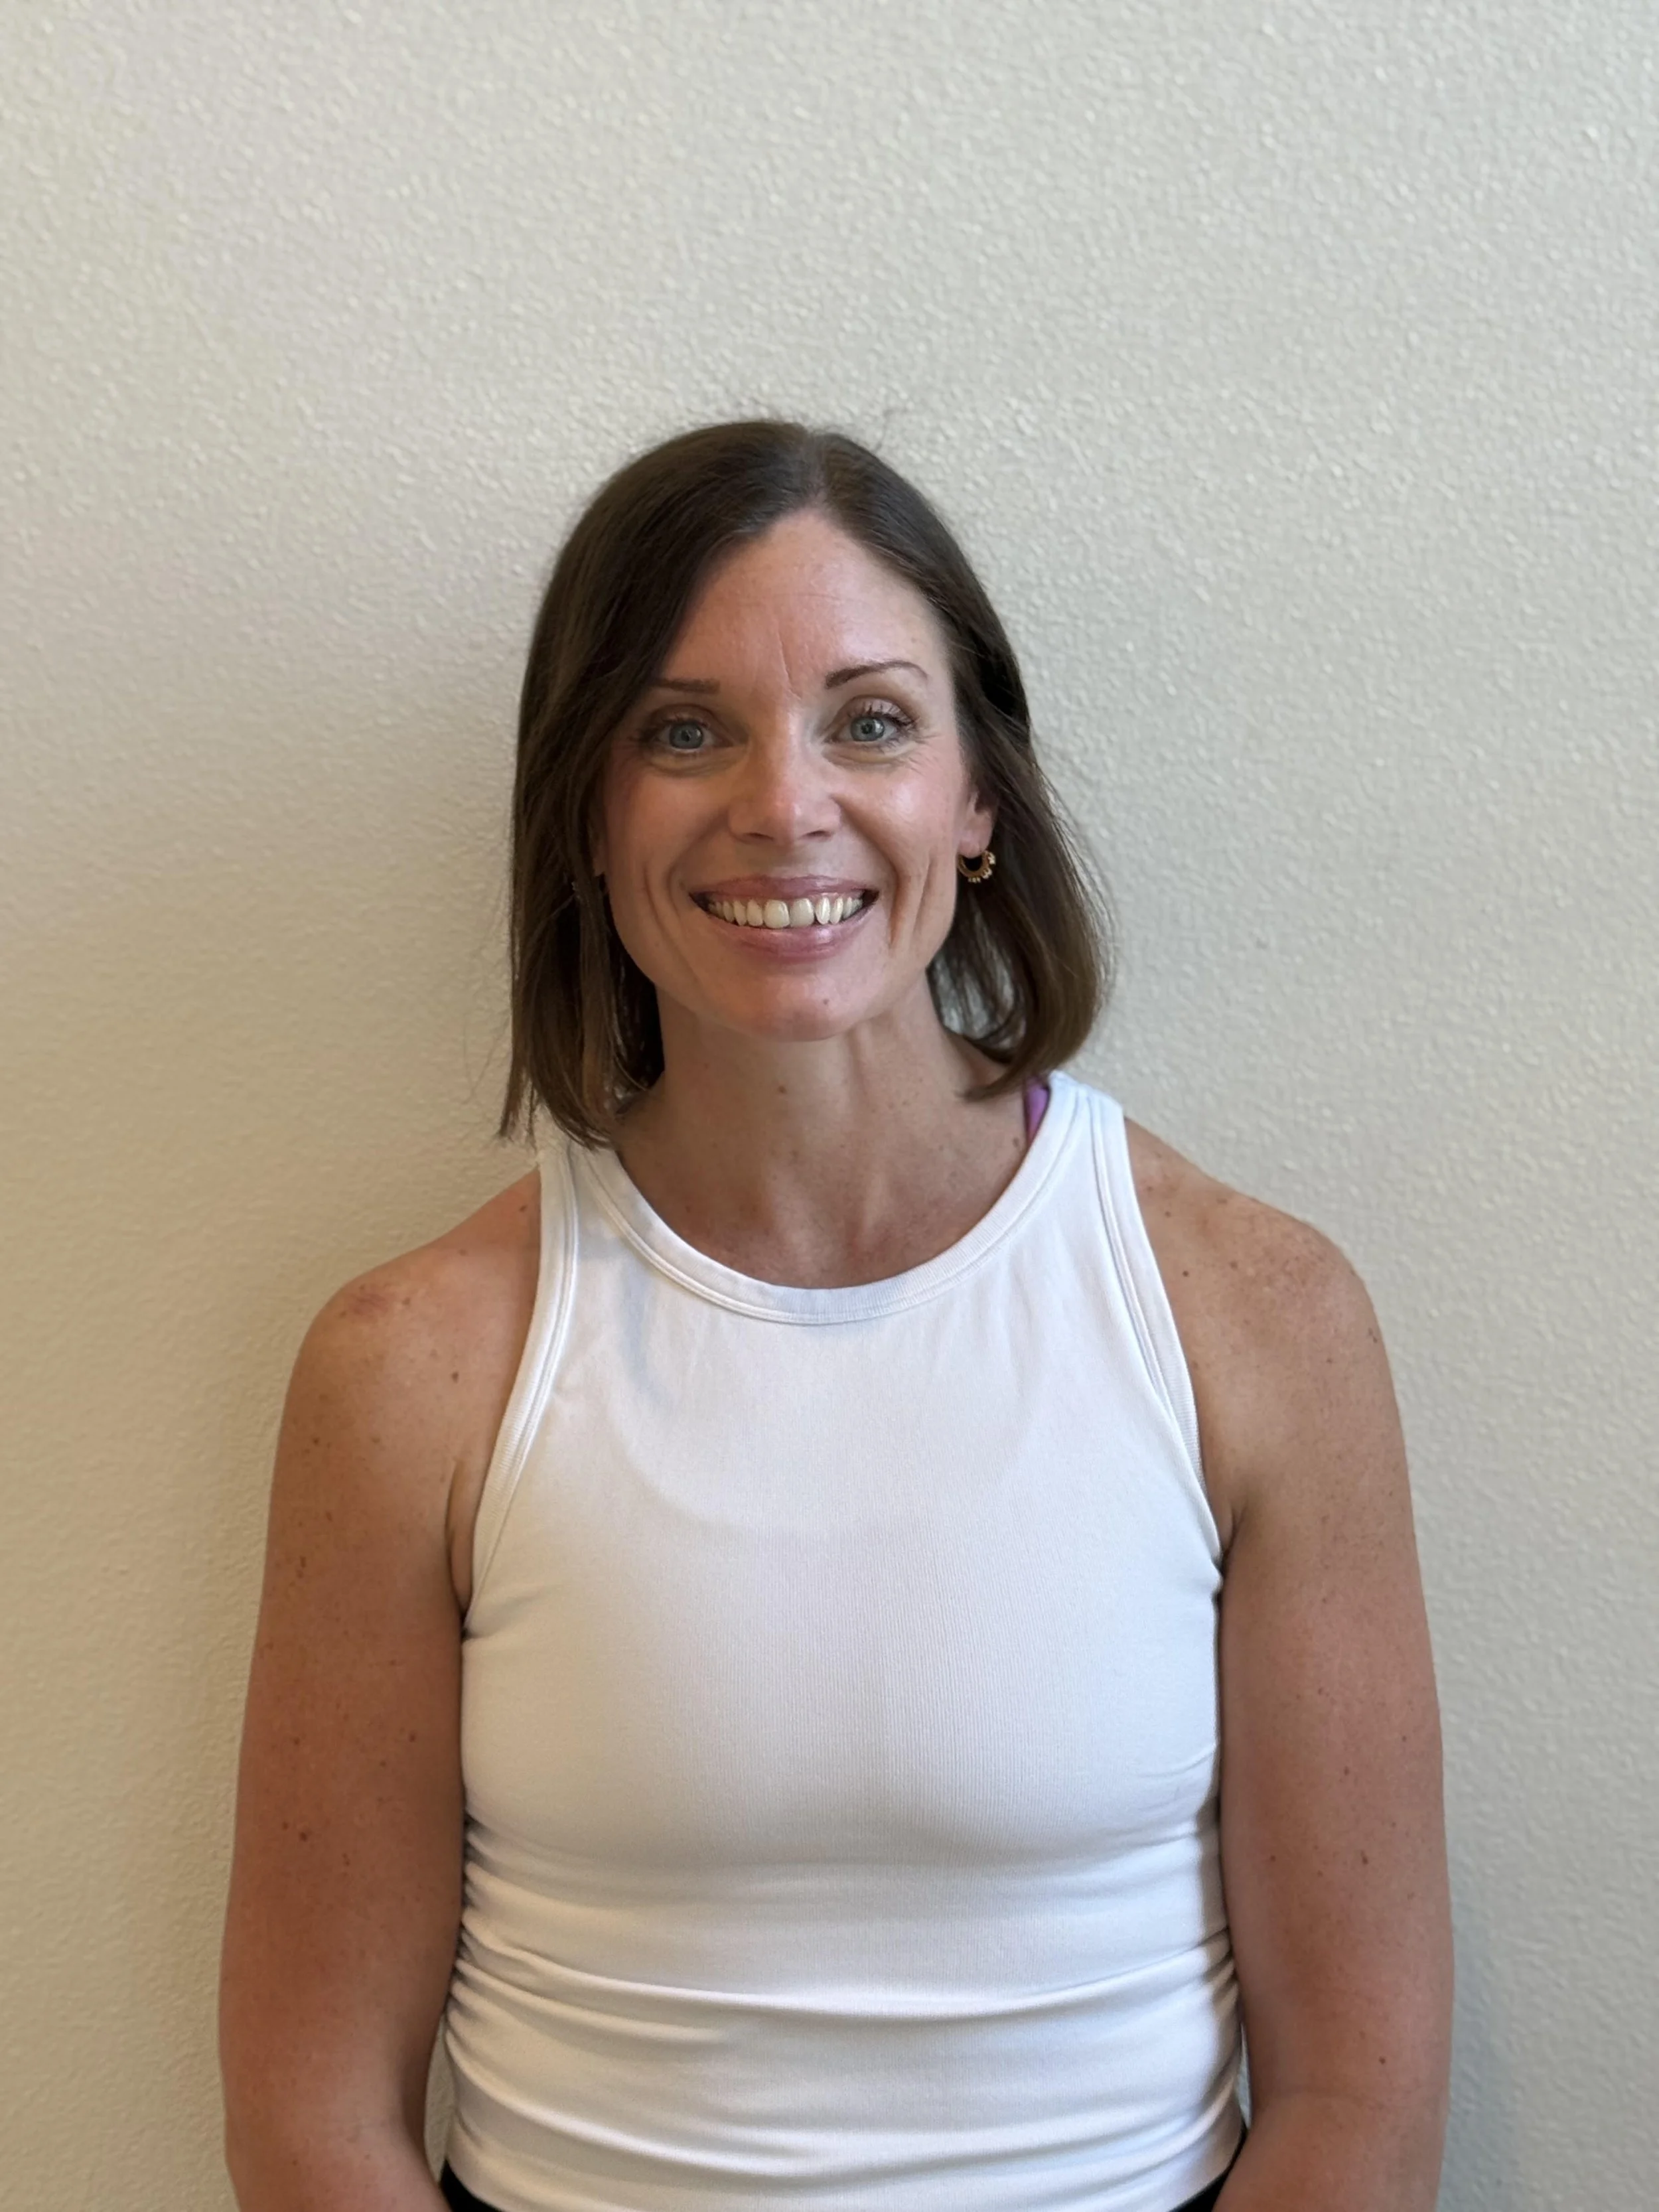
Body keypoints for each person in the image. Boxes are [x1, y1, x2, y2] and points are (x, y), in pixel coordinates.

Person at [220, 420, 1453, 2212]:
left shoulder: (1255, 1320)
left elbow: (1358, 2092)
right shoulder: (413, 1369)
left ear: (974, 798)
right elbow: (315, 2115)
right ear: (582, 805)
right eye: (682, 728)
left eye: (868, 720)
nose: (781, 803)